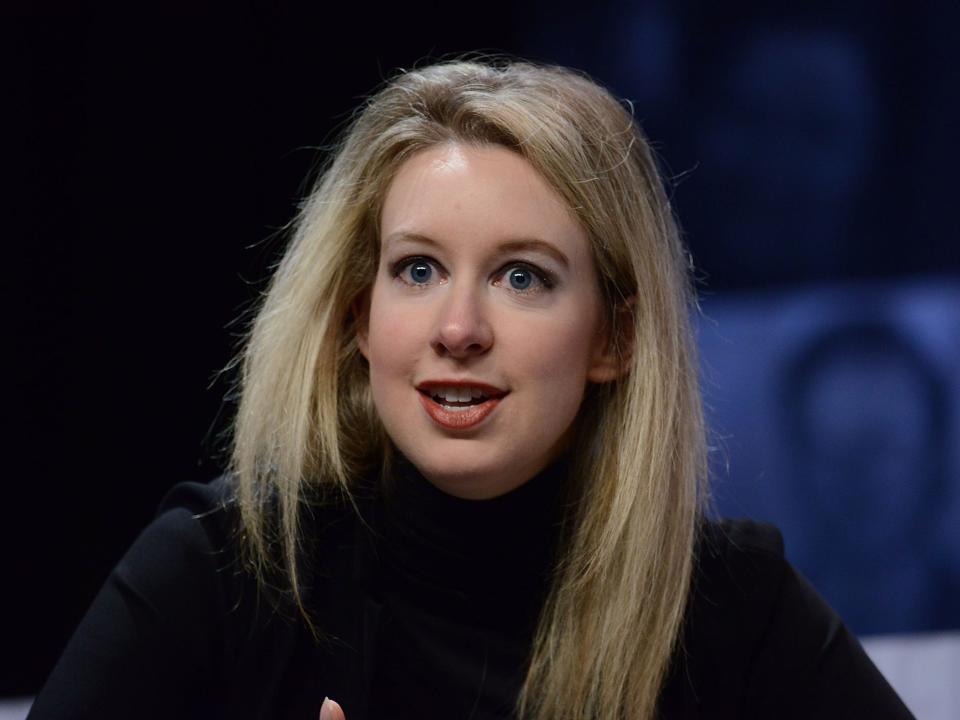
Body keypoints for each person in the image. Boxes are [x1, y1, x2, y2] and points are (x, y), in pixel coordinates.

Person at [28, 58, 912, 719]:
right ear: (355, 320)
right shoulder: (218, 576)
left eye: (521, 278)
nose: (458, 328)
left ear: (614, 337)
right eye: (416, 269)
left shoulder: (728, 610)